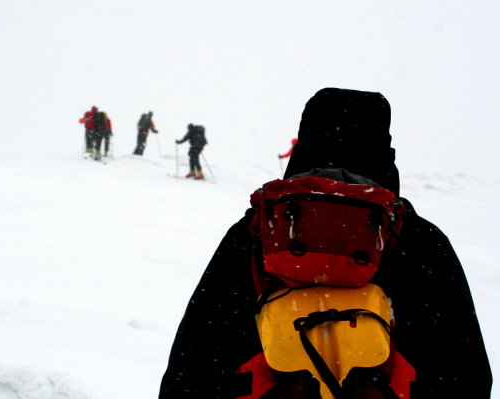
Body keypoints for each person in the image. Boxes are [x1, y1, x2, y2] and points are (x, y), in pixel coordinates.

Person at [159, 88, 492, 398]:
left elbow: (194, 356)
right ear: (384, 150)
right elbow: (468, 370)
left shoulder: (257, 231)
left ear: (305, 142)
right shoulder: (419, 239)